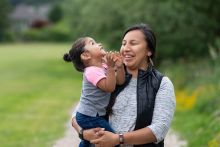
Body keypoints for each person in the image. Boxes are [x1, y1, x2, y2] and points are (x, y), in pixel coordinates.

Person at [72, 23, 176, 147]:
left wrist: (117, 139)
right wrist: (83, 133)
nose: (125, 48)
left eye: (133, 43)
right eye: (124, 43)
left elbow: (159, 130)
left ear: (149, 51)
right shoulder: (110, 76)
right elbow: (78, 114)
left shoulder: (161, 83)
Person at [63, 37, 125, 147]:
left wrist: (119, 67)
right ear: (86, 55)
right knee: (112, 140)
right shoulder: (91, 71)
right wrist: (111, 68)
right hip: (88, 116)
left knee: (90, 141)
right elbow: (109, 87)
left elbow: (120, 81)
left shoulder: (104, 67)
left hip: (95, 114)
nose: (99, 43)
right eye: (92, 43)